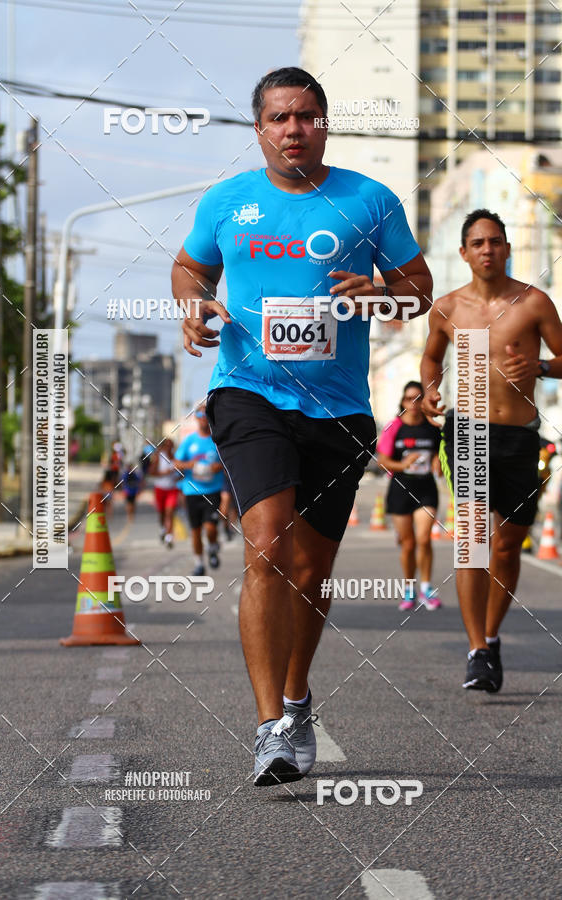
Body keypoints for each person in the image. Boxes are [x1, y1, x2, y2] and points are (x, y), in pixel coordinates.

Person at [172, 66, 432, 786]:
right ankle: (269, 731)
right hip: (249, 392)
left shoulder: (368, 201)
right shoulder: (228, 202)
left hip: (339, 407)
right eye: (280, 118)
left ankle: (296, 699)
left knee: (312, 569)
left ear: (325, 124)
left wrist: (382, 290)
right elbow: (190, 267)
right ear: (259, 129)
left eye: (308, 116)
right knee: (266, 545)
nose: (294, 129)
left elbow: (420, 289)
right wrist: (193, 306)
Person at [421, 208, 562, 693]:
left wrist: (542, 368)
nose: (487, 249)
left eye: (495, 241)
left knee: (508, 543)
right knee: (474, 539)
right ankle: (477, 649)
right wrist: (428, 389)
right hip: (469, 433)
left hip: (520, 436)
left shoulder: (534, 302)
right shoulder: (448, 307)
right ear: (464, 253)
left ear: (507, 248)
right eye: (478, 242)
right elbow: (431, 357)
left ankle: (493, 634)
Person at [377, 381, 442, 612]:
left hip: (426, 489)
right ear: (402, 401)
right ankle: (408, 589)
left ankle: (426, 588)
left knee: (424, 539)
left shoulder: (432, 427)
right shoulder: (393, 427)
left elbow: (440, 453)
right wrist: (403, 464)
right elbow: (382, 460)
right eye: (408, 399)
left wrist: (437, 460)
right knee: (408, 544)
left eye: (417, 398)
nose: (413, 404)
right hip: (400, 489)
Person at [174, 406, 225, 575]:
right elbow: (177, 462)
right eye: (199, 414)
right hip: (192, 491)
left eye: (205, 414)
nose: (202, 417)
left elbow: (226, 462)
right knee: (195, 530)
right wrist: (192, 465)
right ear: (195, 418)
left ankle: (212, 546)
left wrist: (214, 467)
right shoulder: (189, 441)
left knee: (210, 528)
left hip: (212, 491)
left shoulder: (217, 440)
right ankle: (199, 564)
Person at [153, 438, 181, 548]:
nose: (169, 447)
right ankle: (163, 529)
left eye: (171, 445)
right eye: (167, 445)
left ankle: (169, 537)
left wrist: (177, 478)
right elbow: (152, 472)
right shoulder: (158, 457)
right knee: (161, 513)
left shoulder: (176, 458)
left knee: (170, 513)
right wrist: (165, 473)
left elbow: (182, 473)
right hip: (160, 488)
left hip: (172, 489)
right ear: (164, 446)